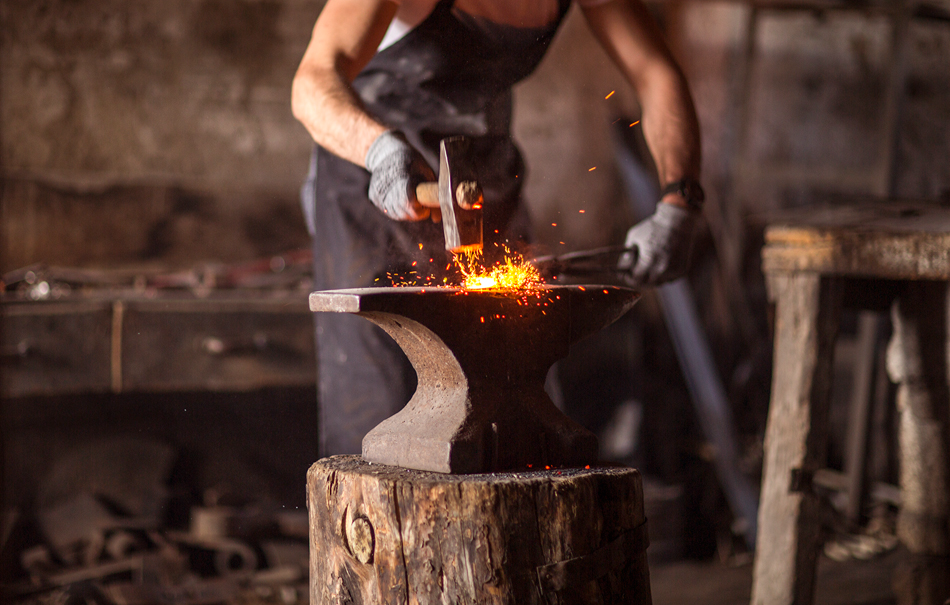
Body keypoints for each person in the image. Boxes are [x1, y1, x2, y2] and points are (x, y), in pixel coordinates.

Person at [292, 0, 703, 456]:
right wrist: (380, 152)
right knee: (380, 403)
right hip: (375, 183)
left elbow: (655, 72)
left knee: (513, 386)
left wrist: (679, 199)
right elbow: (312, 81)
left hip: (481, 182)